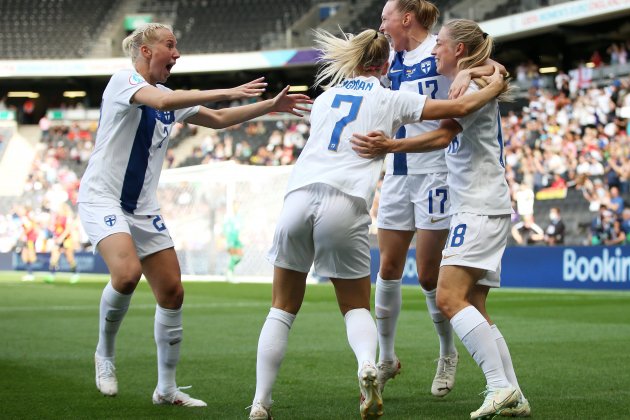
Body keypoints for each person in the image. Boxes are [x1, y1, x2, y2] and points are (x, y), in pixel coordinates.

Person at [248, 27, 506, 420]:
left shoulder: (325, 98)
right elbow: (456, 112)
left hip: (297, 198)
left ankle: (260, 403)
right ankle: (369, 364)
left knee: (281, 308)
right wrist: (493, 85)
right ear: (385, 65)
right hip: (345, 202)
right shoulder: (390, 98)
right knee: (355, 307)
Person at [78, 23, 311, 407]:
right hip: (102, 199)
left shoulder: (168, 94)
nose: (177, 53)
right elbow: (164, 104)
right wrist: (229, 90)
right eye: (170, 45)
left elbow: (218, 120)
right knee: (126, 274)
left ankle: (166, 388)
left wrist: (270, 106)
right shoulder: (123, 81)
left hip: (143, 208)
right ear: (145, 50)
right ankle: (104, 354)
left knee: (172, 292)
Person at [351, 19, 530, 418]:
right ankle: (514, 394)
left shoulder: (471, 87)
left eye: (441, 46)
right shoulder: (470, 78)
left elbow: (442, 134)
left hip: (478, 205)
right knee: (476, 309)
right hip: (482, 203)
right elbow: (495, 69)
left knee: (448, 297)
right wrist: (478, 68)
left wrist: (391, 144)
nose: (434, 51)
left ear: (459, 50)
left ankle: (499, 386)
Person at [375, 0, 505, 397]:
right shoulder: (389, 60)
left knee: (432, 276)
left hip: (438, 172)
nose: (381, 25)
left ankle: (448, 353)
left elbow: (491, 66)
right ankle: (385, 357)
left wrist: (487, 69)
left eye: (386, 18)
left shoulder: (442, 49)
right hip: (399, 170)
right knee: (388, 267)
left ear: (406, 19)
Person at [45, 202, 80, 284]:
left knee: (69, 257)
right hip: (58, 240)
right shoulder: (57, 218)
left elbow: (67, 229)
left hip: (67, 240)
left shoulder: (67, 218)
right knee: (54, 256)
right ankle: (52, 274)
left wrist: (61, 238)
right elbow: (55, 229)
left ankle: (75, 274)